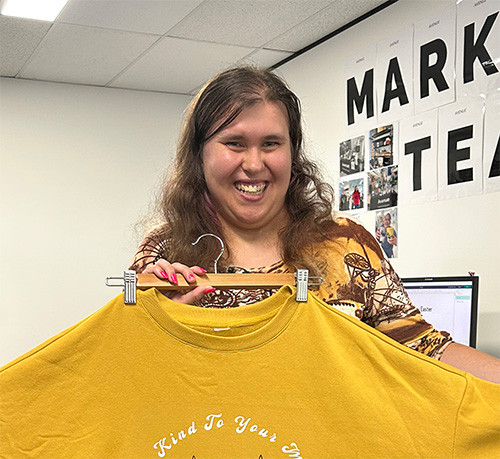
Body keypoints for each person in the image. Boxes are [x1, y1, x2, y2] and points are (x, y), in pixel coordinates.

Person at [130, 66, 500, 384]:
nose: (255, 164)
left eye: (271, 143)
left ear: (293, 153)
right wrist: (165, 321)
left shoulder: (346, 245)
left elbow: (424, 348)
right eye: (235, 143)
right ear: (200, 155)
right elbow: (133, 369)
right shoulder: (165, 251)